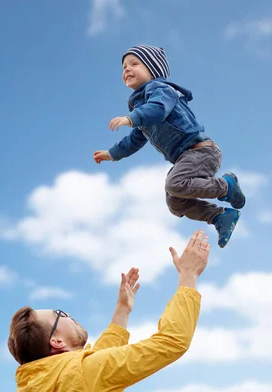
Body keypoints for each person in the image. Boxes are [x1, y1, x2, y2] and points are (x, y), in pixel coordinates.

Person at [8, 230, 211, 392]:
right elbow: (172, 341)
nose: (68, 314)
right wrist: (188, 275)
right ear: (57, 342)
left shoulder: (42, 383)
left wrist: (122, 310)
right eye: (60, 314)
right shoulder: (83, 373)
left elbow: (96, 361)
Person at [93, 44, 246, 248]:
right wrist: (111, 154)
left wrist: (131, 118)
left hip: (201, 151)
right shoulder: (141, 107)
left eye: (134, 64)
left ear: (153, 70)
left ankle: (226, 186)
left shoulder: (160, 90)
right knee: (175, 202)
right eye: (123, 67)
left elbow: (157, 109)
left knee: (175, 184)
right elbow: (134, 140)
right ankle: (220, 217)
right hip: (186, 158)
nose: (126, 69)